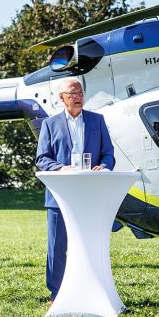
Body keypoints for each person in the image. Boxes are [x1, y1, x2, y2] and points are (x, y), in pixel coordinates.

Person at [35, 78, 115, 303]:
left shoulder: (97, 121)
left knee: (89, 243)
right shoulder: (50, 124)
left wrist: (105, 165)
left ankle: (92, 287)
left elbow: (108, 153)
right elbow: (42, 158)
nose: (78, 96)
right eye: (73, 93)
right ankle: (56, 292)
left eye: (80, 92)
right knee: (57, 245)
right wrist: (61, 167)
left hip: (90, 193)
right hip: (60, 195)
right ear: (62, 98)